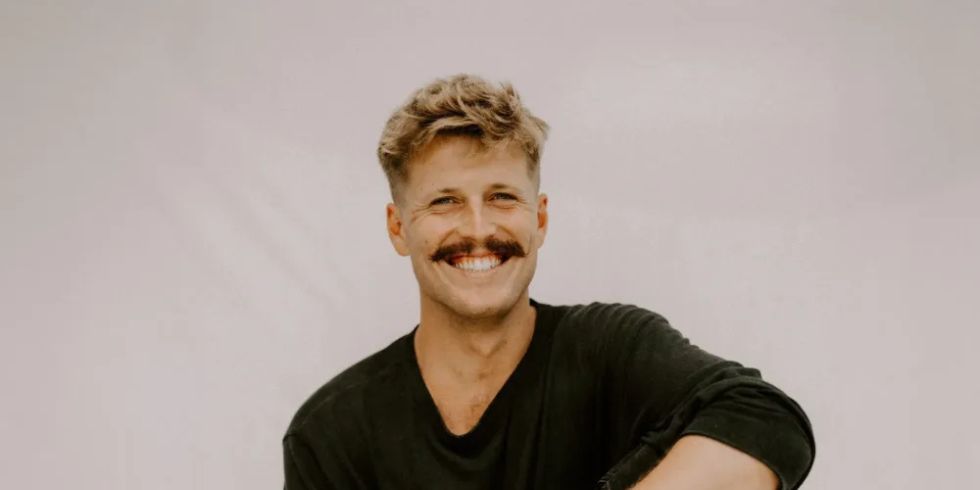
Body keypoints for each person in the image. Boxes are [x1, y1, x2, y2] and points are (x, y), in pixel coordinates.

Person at [282, 74, 815, 490]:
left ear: (540, 219)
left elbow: (765, 419)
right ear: (399, 228)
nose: (478, 229)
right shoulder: (331, 436)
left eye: (502, 197)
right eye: (444, 201)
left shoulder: (610, 349)